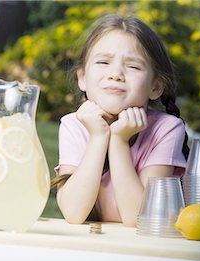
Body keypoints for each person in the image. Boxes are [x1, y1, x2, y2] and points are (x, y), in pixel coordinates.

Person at [51, 14, 189, 226]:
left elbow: (140, 218)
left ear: (156, 87)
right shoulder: (73, 125)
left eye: (133, 67)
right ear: (82, 78)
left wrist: (119, 141)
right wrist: (98, 137)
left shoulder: (166, 129)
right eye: (103, 62)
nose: (115, 74)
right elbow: (73, 213)